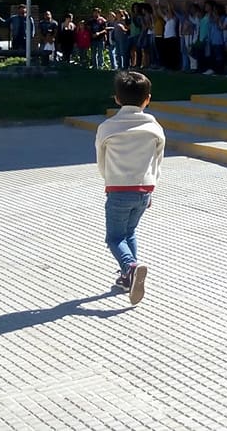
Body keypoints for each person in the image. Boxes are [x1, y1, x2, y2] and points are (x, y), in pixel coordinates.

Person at [95, 70, 165, 305]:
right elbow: (158, 161)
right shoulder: (154, 128)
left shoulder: (107, 128)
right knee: (130, 232)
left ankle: (131, 267)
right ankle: (128, 278)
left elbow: (101, 160)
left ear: (116, 98)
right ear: (148, 99)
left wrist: (109, 180)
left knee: (114, 238)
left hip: (118, 190)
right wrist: (150, 187)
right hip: (144, 190)